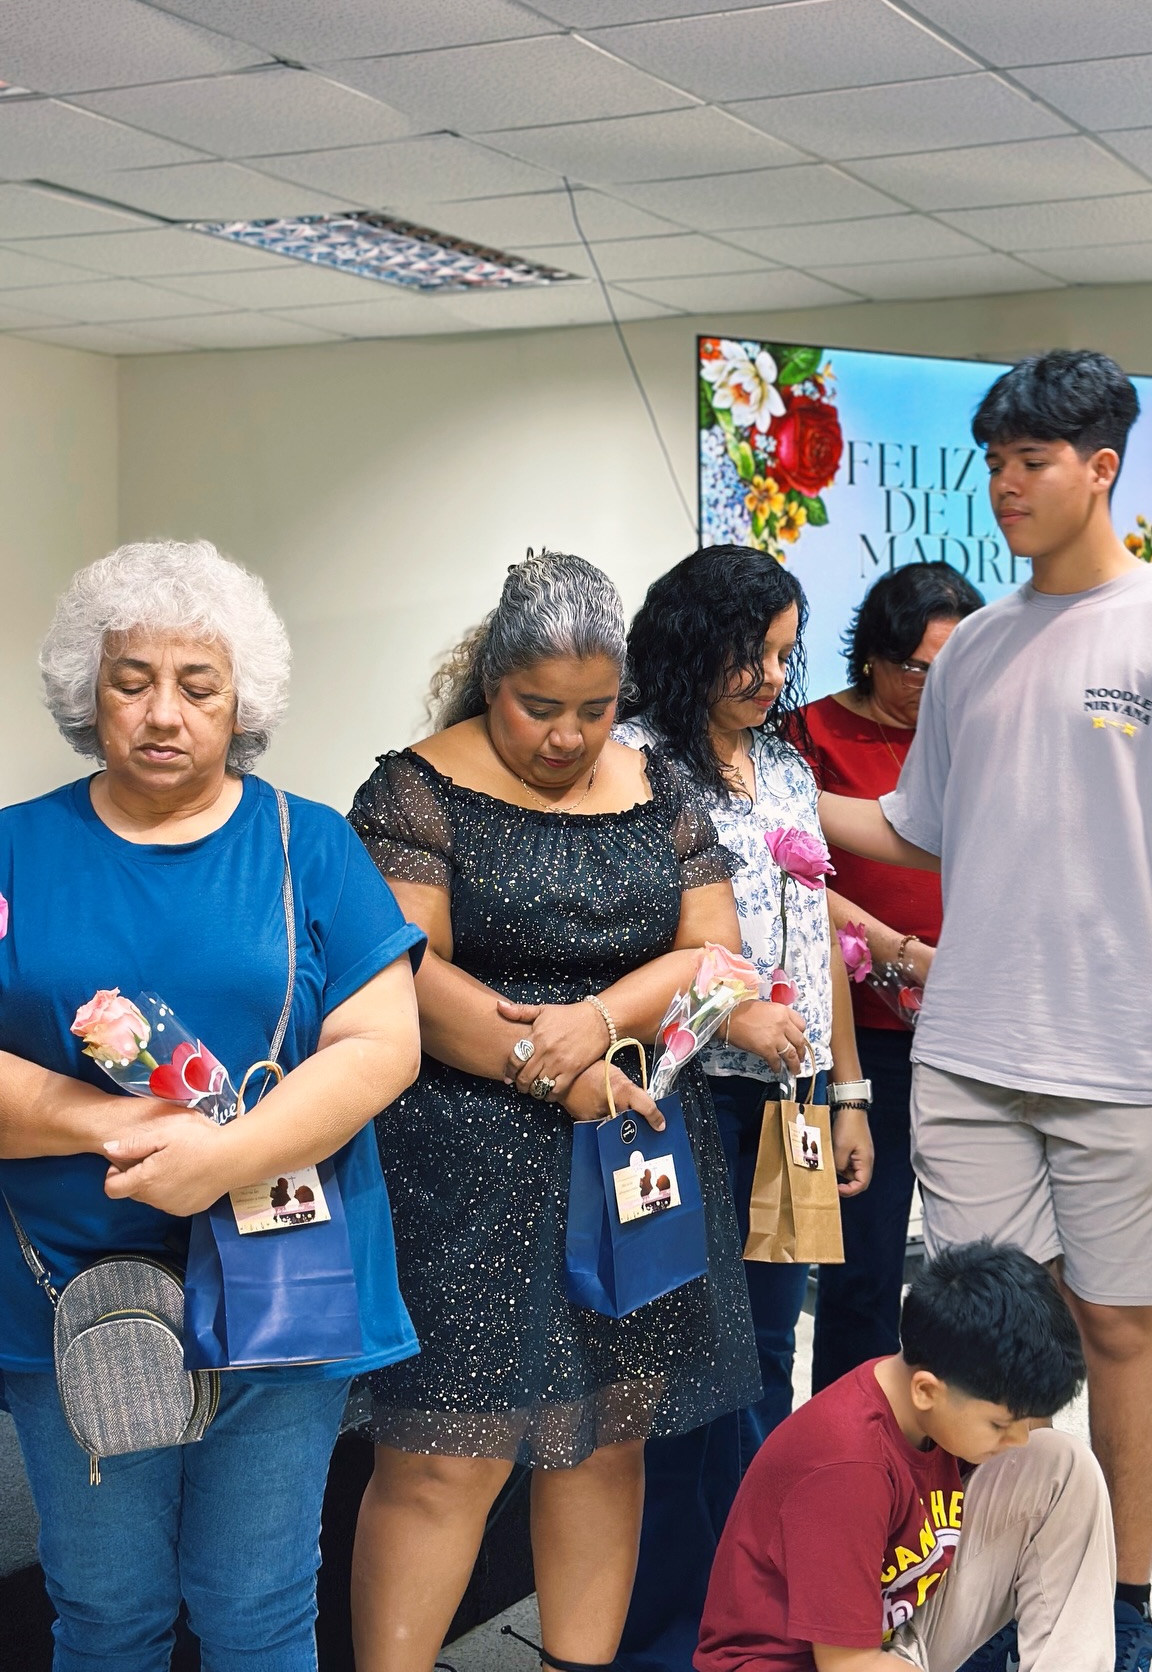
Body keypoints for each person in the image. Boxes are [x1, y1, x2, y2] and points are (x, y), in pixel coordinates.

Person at [816, 352, 1152, 1672]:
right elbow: (913, 825)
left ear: (1102, 470)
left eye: (1035, 461)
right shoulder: (976, 654)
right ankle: (1005, 1596)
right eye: (995, 463)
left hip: (1132, 1056)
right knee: (984, 1338)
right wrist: (757, 793)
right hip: (968, 1056)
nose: (1009, 485)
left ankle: (1120, 1601)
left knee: (1122, 1324)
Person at [0, 539, 424, 1672]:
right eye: (131, 680)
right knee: (106, 1614)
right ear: (87, 690)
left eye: (199, 686)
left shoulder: (311, 846)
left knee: (258, 1611)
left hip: (283, 1284)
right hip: (74, 1292)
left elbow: (383, 1046)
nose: (162, 713)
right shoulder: (15, 849)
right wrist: (116, 1127)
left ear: (245, 702)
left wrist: (224, 1159)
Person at [346, 551, 772, 1672]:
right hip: (462, 1166)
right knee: (447, 1456)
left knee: (602, 1441)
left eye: (594, 710)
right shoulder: (414, 789)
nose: (568, 737)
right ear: (492, 682)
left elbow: (717, 957)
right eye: (541, 708)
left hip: (627, 1165)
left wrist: (600, 1016)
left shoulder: (655, 783)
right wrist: (561, 1064)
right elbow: (407, 980)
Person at [615, 545, 873, 1672]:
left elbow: (815, 933)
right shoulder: (634, 762)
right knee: (685, 1369)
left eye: (782, 652)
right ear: (687, 641)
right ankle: (666, 1631)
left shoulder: (781, 766)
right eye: (749, 651)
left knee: (768, 1354)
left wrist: (846, 1087)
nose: (771, 676)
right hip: (686, 1102)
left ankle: (752, 1621)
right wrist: (730, 1020)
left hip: (795, 1101)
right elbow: (628, 944)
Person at [696, 1242, 1115, 1672]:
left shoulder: (927, 1401)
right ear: (927, 1391)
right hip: (818, 1662)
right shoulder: (846, 1469)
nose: (1018, 1439)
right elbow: (848, 1665)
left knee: (1059, 1464)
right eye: (1000, 1424)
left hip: (892, 1623)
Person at [792, 562, 982, 1395]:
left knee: (975, 1261)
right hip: (861, 1037)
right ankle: (854, 1443)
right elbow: (793, 875)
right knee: (863, 1261)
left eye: (952, 671)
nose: (930, 689)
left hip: (976, 1028)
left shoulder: (981, 737)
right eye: (915, 668)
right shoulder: (809, 737)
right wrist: (905, 955)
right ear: (872, 655)